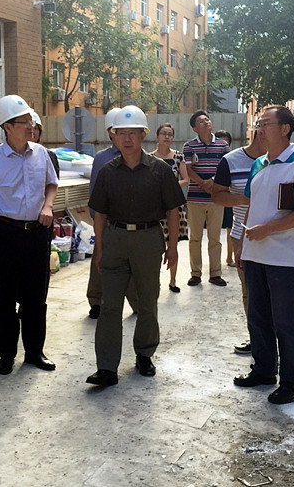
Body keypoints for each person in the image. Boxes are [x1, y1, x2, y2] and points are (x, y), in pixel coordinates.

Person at [86, 106, 185, 387]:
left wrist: (173, 247)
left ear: (144, 135)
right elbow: (100, 214)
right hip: (115, 239)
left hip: (148, 239)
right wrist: (100, 248)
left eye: (133, 133)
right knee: (109, 305)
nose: (127, 139)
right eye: (121, 133)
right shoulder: (107, 172)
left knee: (147, 301)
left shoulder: (160, 170)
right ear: (114, 137)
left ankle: (144, 354)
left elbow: (173, 211)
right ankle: (107, 367)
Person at [233, 105, 294, 405]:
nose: (259, 129)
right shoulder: (259, 164)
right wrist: (242, 246)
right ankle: (263, 370)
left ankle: (292, 382)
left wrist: (268, 229)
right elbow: (250, 204)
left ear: (285, 128)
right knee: (258, 316)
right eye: (258, 124)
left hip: (284, 256)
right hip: (255, 253)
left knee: (287, 321)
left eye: (265, 124)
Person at [0, 95, 58, 375]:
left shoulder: (41, 154)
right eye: (24, 122)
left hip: (36, 234)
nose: (31, 126)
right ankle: (6, 355)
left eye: (31, 121)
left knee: (36, 297)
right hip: (6, 233)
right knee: (6, 299)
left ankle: (35, 352)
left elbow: (52, 184)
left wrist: (47, 206)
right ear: (7, 127)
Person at [210, 129, 267, 355]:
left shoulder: (284, 160)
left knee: (276, 293)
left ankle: (273, 341)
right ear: (260, 133)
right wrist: (244, 198)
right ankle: (258, 340)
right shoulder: (231, 161)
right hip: (243, 235)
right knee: (250, 292)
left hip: (278, 235)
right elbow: (217, 196)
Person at [85, 108, 139, 318]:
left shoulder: (138, 156)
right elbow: (94, 191)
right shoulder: (102, 158)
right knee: (100, 260)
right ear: (110, 132)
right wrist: (97, 218)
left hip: (131, 220)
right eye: (119, 131)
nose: (125, 137)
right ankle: (96, 301)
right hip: (107, 220)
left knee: (132, 263)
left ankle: (136, 302)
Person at [182, 110, 230, 287]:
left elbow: (227, 168)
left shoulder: (223, 146)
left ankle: (215, 274)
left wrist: (213, 182)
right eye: (202, 121)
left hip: (217, 199)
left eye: (207, 120)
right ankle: (195, 274)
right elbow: (187, 169)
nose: (206, 122)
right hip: (195, 199)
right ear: (195, 128)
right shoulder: (189, 146)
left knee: (215, 238)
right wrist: (202, 183)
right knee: (195, 238)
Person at [150, 122, 189, 292]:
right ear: (157, 137)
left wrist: (169, 188)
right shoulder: (149, 158)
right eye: (164, 133)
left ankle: (173, 281)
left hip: (174, 206)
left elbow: (185, 180)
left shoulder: (179, 157)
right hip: (154, 207)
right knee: (154, 244)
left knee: (173, 244)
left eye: (170, 134)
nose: (167, 137)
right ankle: (154, 281)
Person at [214, 130, 236, 267]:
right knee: (214, 232)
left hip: (228, 197)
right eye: (220, 140)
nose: (223, 143)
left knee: (230, 229)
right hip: (214, 198)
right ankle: (214, 262)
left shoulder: (233, 159)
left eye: (226, 141)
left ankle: (229, 257)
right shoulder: (212, 158)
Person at [31, 111, 60, 179]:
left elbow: (54, 182)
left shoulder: (49, 155)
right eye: (29, 128)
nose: (32, 132)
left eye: (35, 128)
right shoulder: (14, 155)